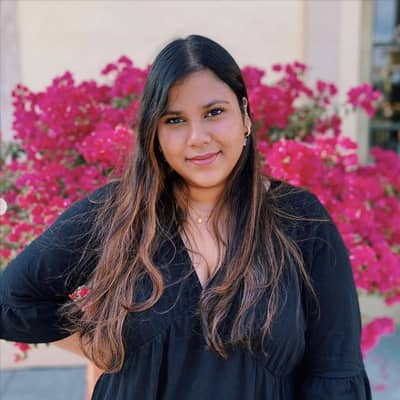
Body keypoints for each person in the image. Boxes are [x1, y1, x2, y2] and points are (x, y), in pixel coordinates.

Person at [0, 34, 372, 399]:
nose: (197, 137)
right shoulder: (118, 212)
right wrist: (98, 344)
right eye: (174, 120)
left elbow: (335, 372)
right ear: (155, 134)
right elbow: (10, 301)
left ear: (245, 115)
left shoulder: (301, 221)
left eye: (214, 112)